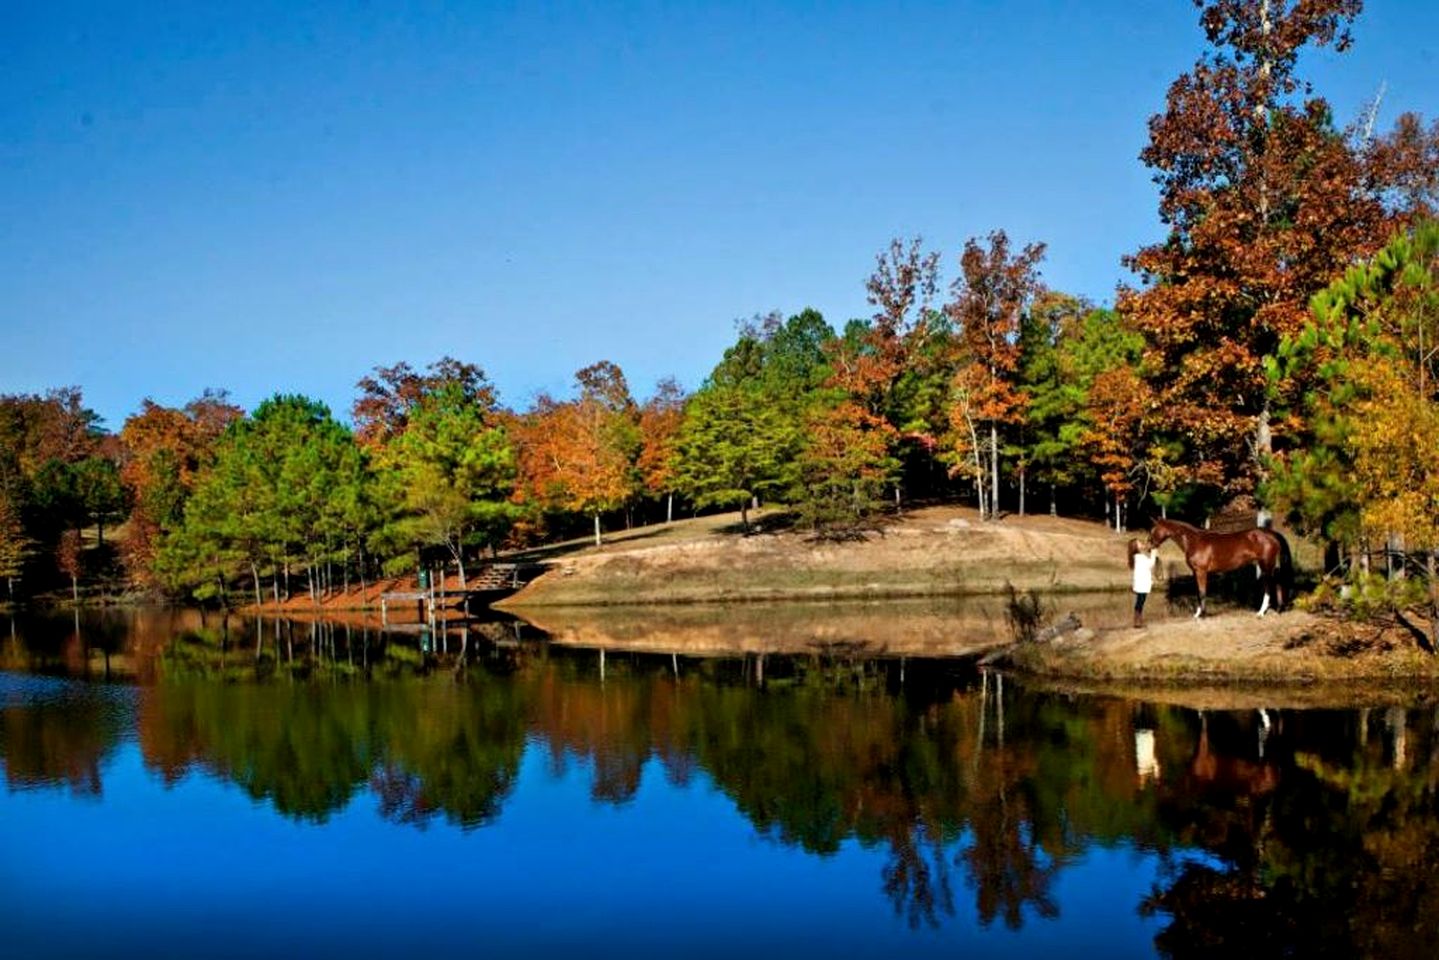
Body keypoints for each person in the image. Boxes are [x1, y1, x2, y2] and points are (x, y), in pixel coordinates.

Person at [1128, 538, 1158, 628]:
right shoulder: (1139, 557)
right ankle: (1137, 620)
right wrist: (1154, 553)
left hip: (1140, 582)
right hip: (1142, 583)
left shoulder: (1138, 556)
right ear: (1136, 547)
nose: (1141, 544)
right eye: (1139, 543)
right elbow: (1151, 564)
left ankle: (1138, 619)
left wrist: (1150, 550)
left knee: (1140, 601)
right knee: (1140, 601)